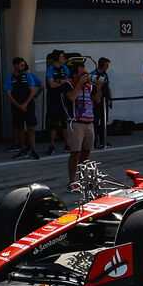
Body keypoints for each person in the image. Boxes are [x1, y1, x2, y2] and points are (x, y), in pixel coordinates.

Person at [62, 60, 103, 191]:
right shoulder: (68, 85)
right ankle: (72, 181)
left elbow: (97, 100)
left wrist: (98, 89)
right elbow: (72, 97)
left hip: (89, 122)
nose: (86, 76)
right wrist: (79, 84)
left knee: (86, 152)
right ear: (75, 75)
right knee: (75, 152)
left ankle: (83, 179)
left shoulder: (89, 87)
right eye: (82, 74)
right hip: (76, 123)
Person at [4, 56, 41, 160]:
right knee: (20, 128)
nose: (23, 67)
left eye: (24, 65)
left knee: (30, 127)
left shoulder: (28, 76)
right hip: (17, 106)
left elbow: (32, 90)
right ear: (15, 65)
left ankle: (33, 149)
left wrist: (26, 103)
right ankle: (23, 149)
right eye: (21, 65)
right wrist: (19, 105)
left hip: (28, 105)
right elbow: (9, 94)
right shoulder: (9, 78)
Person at [45, 50, 70, 155]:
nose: (63, 58)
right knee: (54, 122)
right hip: (54, 98)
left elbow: (69, 81)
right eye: (61, 56)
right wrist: (61, 82)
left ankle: (68, 145)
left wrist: (59, 82)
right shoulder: (50, 68)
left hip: (64, 98)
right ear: (56, 57)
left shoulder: (65, 68)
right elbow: (51, 85)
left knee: (65, 122)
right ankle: (51, 145)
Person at [90, 57, 113, 148]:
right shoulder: (93, 74)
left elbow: (108, 86)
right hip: (96, 101)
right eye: (107, 65)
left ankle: (104, 140)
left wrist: (110, 99)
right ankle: (95, 141)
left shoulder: (105, 74)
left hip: (105, 100)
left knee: (104, 121)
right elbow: (90, 89)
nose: (108, 67)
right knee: (95, 121)